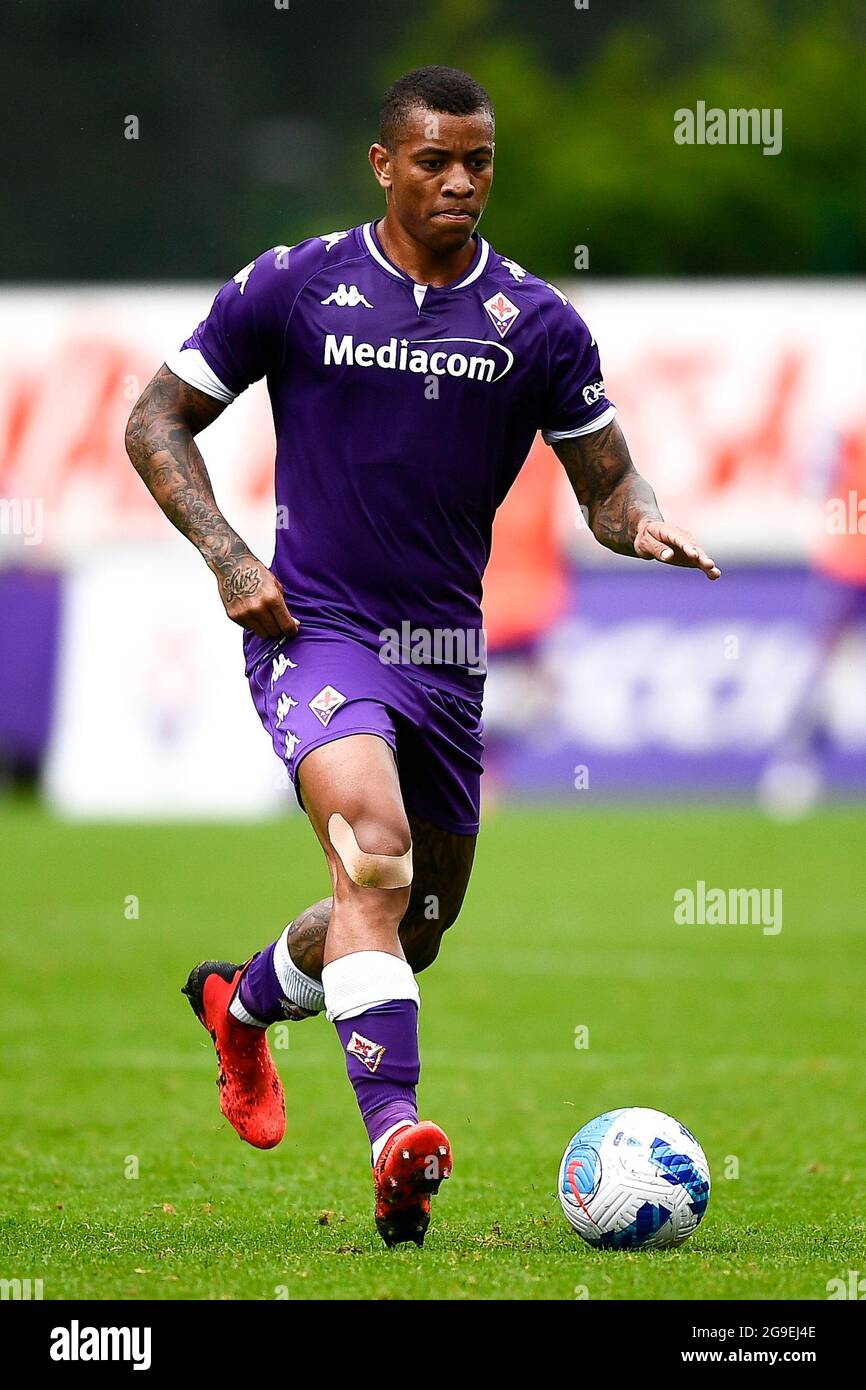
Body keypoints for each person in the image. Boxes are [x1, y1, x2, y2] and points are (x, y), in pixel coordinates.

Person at [125, 65, 720, 1247]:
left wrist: (638, 520)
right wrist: (231, 562)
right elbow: (156, 421)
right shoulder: (295, 284)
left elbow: (605, 483)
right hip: (317, 630)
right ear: (383, 166)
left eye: (480, 161)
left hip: (444, 652)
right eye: (435, 160)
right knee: (377, 858)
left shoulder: (537, 323)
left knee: (410, 923)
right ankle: (396, 1133)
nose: (460, 181)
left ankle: (238, 1004)